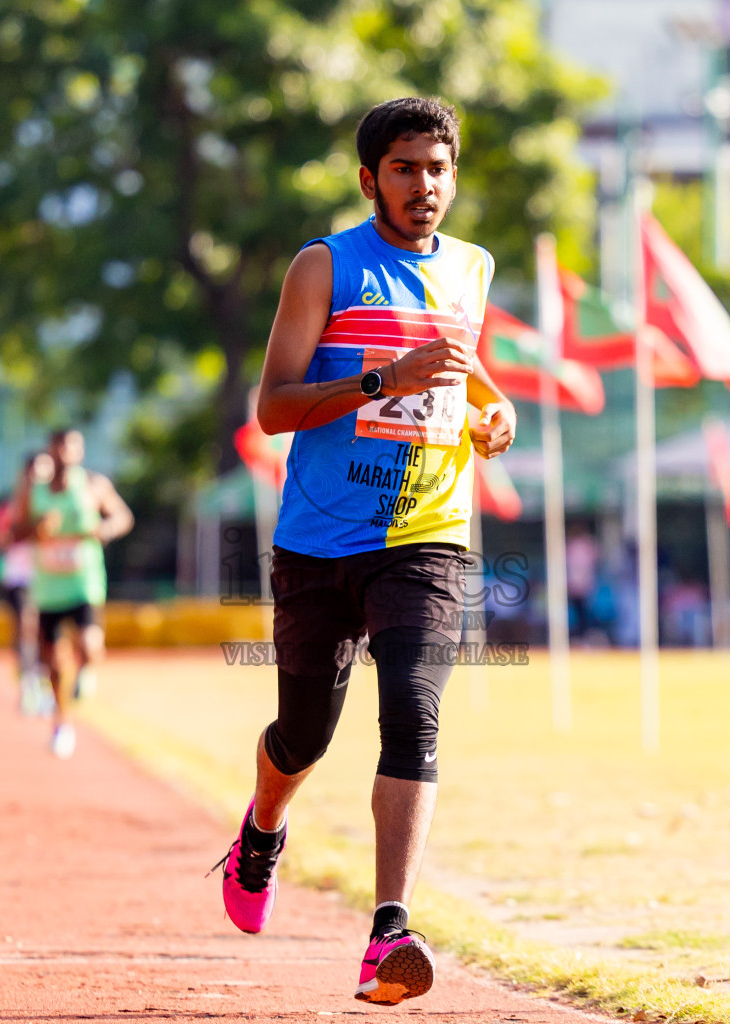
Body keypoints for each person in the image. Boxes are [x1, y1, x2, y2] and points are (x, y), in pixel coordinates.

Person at [212, 97, 515, 1006]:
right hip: (318, 539)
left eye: (438, 168)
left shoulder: (472, 267)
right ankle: (263, 829)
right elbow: (273, 408)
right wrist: (384, 380)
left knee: (413, 712)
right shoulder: (326, 266)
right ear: (368, 179)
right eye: (405, 168)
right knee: (304, 734)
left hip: (428, 535)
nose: (425, 186)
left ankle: (390, 933)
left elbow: (466, 371)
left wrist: (494, 416)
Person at [10, 428, 133, 758]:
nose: (65, 451)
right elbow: (13, 531)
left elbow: (123, 516)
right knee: (52, 662)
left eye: (72, 445)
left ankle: (86, 670)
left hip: (84, 583)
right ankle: (61, 724)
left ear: (80, 451)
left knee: (91, 647)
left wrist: (104, 528)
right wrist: (35, 529)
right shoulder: (33, 490)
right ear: (50, 449)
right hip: (49, 588)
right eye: (59, 445)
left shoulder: (94, 485)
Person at [0, 453, 49, 715]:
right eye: (35, 471)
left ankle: (46, 683)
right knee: (26, 627)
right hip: (20, 577)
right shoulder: (11, 507)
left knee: (48, 634)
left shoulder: (56, 504)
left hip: (52, 577)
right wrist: (18, 535)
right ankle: (28, 686)